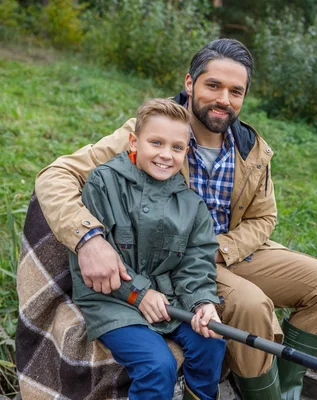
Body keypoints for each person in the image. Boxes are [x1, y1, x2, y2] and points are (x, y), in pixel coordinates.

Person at [36, 38, 317, 400]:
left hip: (224, 251)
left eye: (235, 91)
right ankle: (262, 394)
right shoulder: (155, 132)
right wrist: (88, 238)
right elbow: (55, 176)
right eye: (213, 85)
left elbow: (264, 216)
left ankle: (289, 390)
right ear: (190, 84)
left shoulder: (250, 147)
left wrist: (222, 248)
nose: (223, 100)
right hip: (177, 259)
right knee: (249, 304)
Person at [69, 98, 225, 400]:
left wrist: (202, 302)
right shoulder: (103, 182)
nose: (166, 155)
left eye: (177, 148)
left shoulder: (191, 204)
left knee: (212, 342)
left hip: (169, 302)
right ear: (134, 141)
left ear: (186, 152)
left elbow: (197, 263)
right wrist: (139, 295)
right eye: (156, 143)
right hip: (112, 302)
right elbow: (99, 264)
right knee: (158, 364)